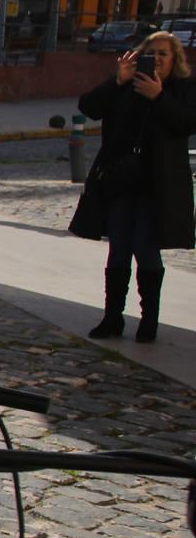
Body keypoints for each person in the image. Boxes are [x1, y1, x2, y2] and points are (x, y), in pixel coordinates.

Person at [72, 31, 195, 342]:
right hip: (120, 181)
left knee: (146, 249)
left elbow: (186, 123)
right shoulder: (126, 84)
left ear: (175, 59)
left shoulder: (183, 88)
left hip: (158, 185)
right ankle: (112, 318)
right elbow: (89, 106)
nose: (157, 59)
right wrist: (117, 80)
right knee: (119, 249)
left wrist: (159, 97)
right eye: (151, 53)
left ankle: (148, 321)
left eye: (164, 54)